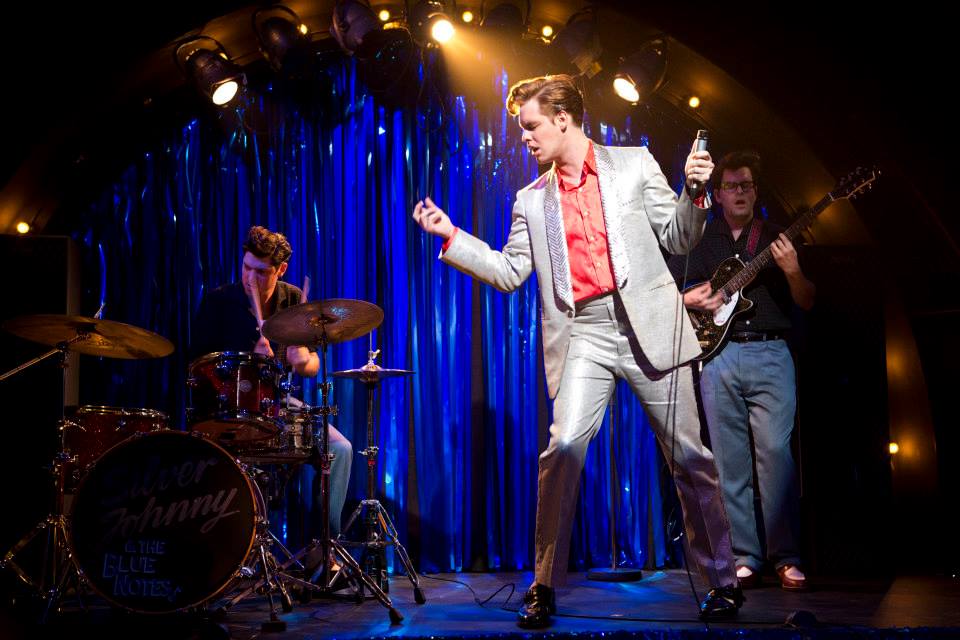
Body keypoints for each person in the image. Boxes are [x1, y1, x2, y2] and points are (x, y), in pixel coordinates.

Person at [412, 74, 740, 627]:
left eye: (531, 126)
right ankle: (543, 585)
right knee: (562, 448)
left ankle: (722, 582)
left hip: (649, 323)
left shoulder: (632, 164)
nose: (525, 137)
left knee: (690, 457)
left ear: (562, 118)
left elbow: (681, 238)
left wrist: (694, 192)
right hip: (584, 331)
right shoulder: (530, 200)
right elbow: (510, 271)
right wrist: (453, 236)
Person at [670, 151, 814, 591]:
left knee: (776, 457)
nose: (739, 193)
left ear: (755, 191)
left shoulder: (776, 236)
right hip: (718, 355)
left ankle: (786, 557)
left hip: (770, 353)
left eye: (746, 186)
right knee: (729, 463)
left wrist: (792, 270)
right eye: (731, 186)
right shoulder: (701, 239)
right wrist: (692, 298)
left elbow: (807, 300)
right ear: (717, 194)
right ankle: (744, 555)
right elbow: (669, 290)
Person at [190, 225, 353, 574]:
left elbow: (312, 365)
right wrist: (250, 359)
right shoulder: (219, 302)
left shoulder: (292, 300)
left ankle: (324, 552)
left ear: (280, 270)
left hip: (281, 407)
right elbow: (198, 367)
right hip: (230, 410)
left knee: (340, 449)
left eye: (261, 272)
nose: (250, 278)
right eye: (246, 267)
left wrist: (302, 360)